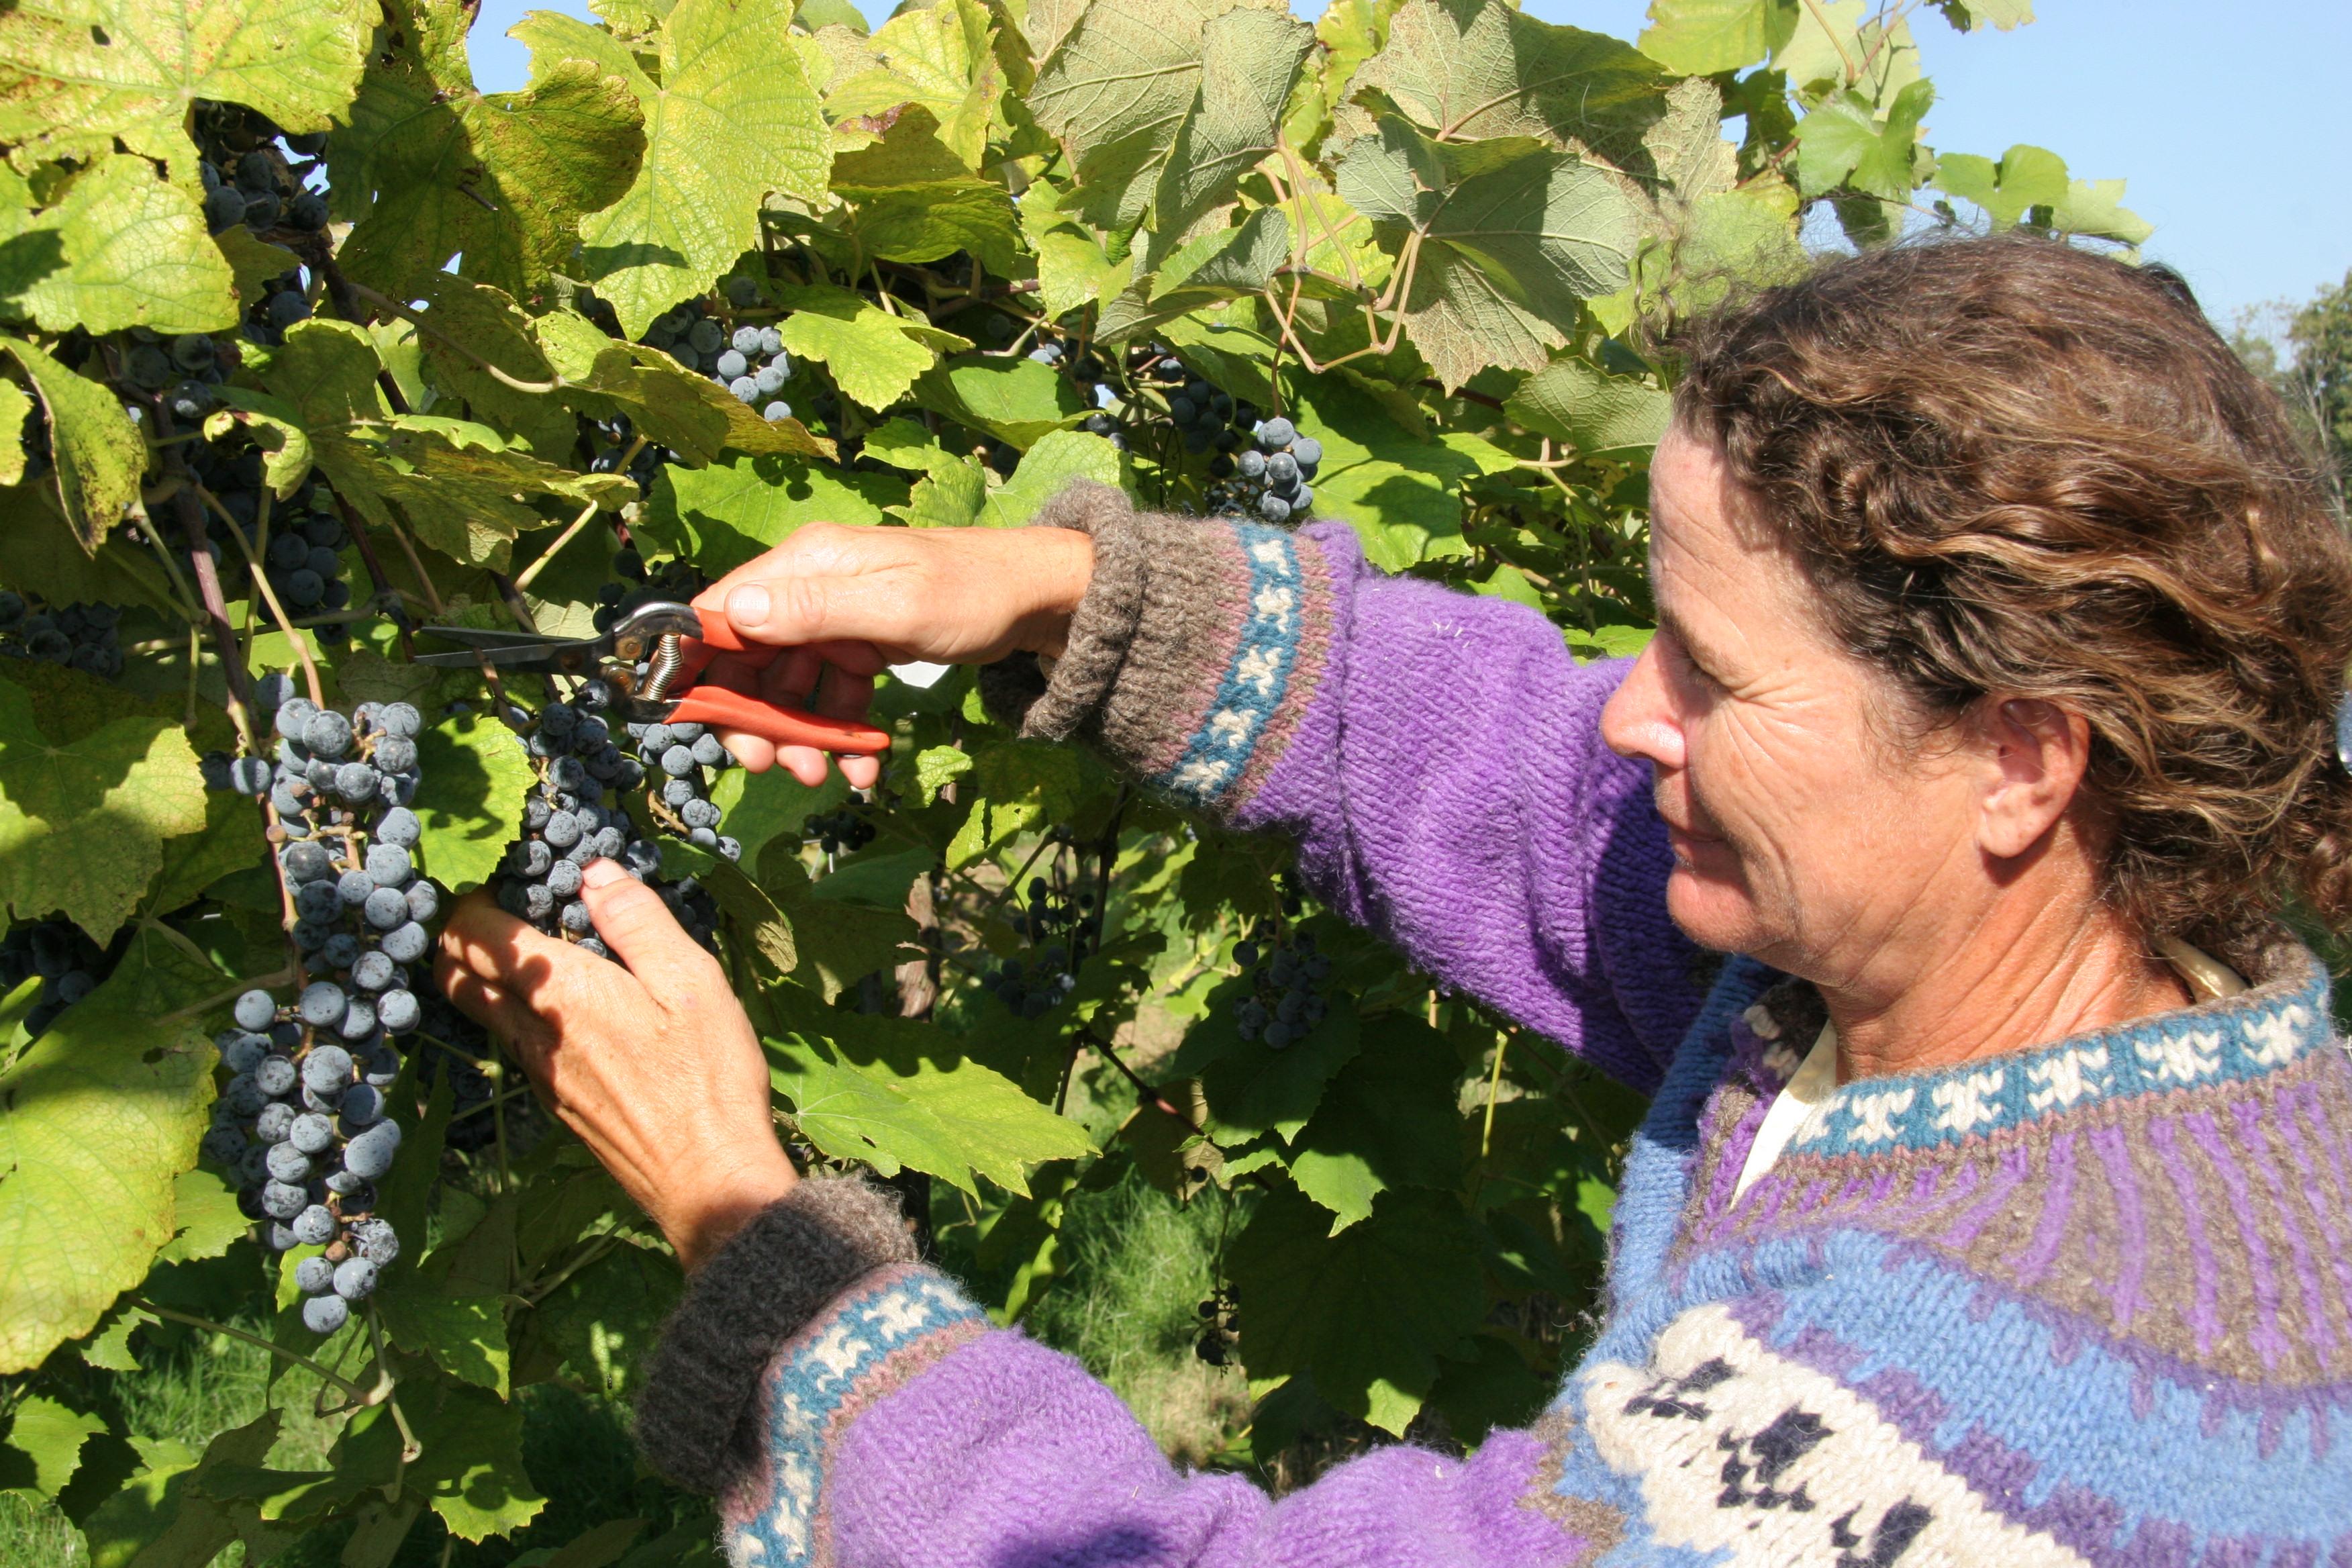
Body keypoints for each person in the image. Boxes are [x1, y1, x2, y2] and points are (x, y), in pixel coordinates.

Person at [437, 234, 2352, 1565]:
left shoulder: (1983, 1411)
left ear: (2023, 754)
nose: (1630, 708)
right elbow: (1514, 780)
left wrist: (743, 1224)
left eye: (1709, 669)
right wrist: (1033, 590)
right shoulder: (1979, 975)